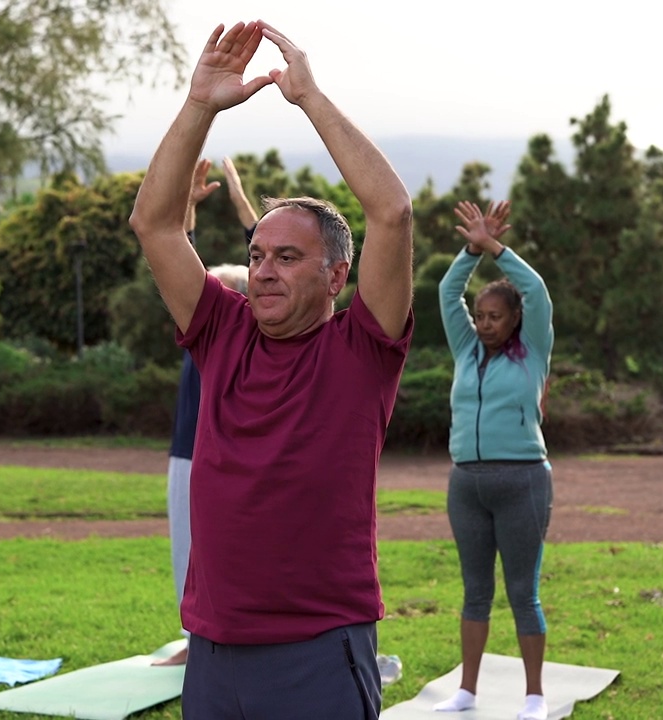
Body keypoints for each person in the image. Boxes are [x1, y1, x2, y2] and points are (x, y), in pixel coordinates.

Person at [129, 20, 413, 719]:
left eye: (287, 258)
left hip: (318, 651)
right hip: (215, 652)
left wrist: (309, 99)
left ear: (336, 275)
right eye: (257, 256)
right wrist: (200, 104)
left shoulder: (362, 352)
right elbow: (156, 225)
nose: (264, 271)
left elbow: (393, 212)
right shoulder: (221, 330)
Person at [434, 200, 554, 720]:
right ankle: (467, 691)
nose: (484, 324)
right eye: (480, 316)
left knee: (522, 593)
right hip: (467, 484)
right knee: (475, 592)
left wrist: (495, 250)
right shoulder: (466, 349)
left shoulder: (533, 347)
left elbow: (537, 291)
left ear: (514, 320)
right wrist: (468, 251)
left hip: (523, 480)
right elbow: (446, 292)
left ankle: (533, 696)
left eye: (494, 317)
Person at [154, 157, 255, 667]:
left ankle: (225, 640)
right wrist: (188, 209)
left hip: (230, 458)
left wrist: (239, 199)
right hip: (186, 453)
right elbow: (180, 258)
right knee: (185, 551)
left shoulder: (253, 339)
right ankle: (197, 641)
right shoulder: (201, 338)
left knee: (232, 555)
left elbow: (264, 260)